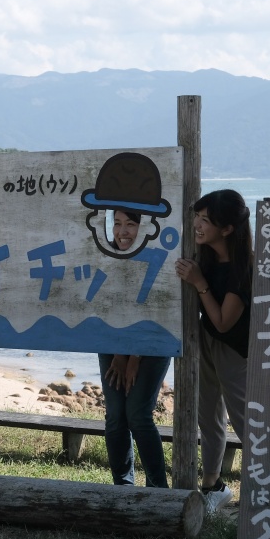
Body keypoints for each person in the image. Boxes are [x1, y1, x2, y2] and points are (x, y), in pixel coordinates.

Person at [174, 190, 252, 515]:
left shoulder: (244, 267)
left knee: (244, 420)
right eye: (197, 217)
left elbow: (222, 322)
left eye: (205, 220)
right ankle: (212, 486)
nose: (197, 224)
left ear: (228, 229)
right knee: (208, 416)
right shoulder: (202, 255)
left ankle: (262, 489)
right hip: (205, 343)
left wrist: (199, 283)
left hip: (236, 349)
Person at [98, 209, 171, 489]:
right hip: (113, 342)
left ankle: (158, 489)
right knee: (116, 415)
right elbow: (106, 305)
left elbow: (155, 308)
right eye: (117, 224)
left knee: (139, 415)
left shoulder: (156, 257)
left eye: (131, 224)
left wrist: (135, 355)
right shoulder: (104, 255)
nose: (122, 231)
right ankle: (123, 487)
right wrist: (119, 353)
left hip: (152, 342)